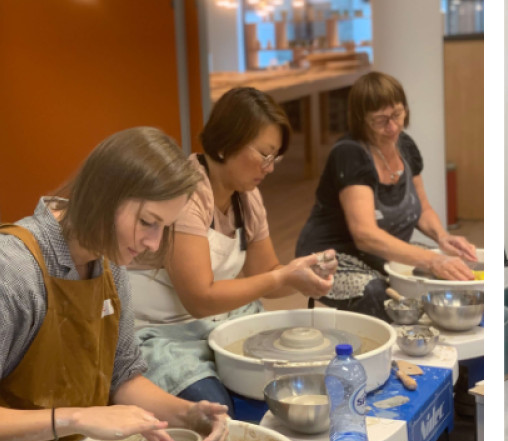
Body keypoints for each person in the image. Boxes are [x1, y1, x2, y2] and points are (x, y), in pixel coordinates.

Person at [0, 127, 229, 441]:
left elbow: (124, 379)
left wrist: (189, 415)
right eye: (147, 222)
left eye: (164, 228)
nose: (153, 243)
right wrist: (77, 417)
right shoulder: (5, 269)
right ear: (105, 197)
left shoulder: (108, 263)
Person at [125, 87, 336, 416]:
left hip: (209, 320)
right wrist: (282, 275)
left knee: (290, 368)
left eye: (275, 157)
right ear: (226, 142)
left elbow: (266, 274)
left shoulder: (246, 197)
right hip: (157, 331)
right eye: (264, 155)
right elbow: (200, 298)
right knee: (214, 407)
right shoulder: (187, 191)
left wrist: (300, 275)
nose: (270, 167)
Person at [295, 71, 480, 320]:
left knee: (449, 272)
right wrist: (431, 260)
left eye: (397, 115)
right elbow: (365, 236)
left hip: (377, 254)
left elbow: (422, 208)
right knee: (381, 293)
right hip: (334, 257)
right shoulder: (350, 154)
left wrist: (442, 237)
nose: (392, 127)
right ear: (361, 120)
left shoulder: (405, 146)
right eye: (380, 120)